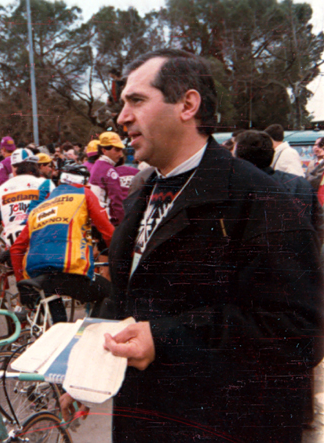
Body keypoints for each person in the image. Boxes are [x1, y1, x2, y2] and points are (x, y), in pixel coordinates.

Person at [79, 48, 323, 442]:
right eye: (123, 103)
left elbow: (299, 332)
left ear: (187, 105)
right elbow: (127, 302)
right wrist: (85, 364)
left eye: (136, 100)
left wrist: (166, 338)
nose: (122, 116)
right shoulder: (142, 197)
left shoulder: (259, 200)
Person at [10, 164, 114, 323]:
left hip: (37, 275)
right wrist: (123, 255)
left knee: (57, 315)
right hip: (69, 271)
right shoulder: (84, 193)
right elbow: (108, 232)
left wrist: (21, 284)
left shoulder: (39, 207)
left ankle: (60, 332)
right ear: (84, 182)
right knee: (110, 293)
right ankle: (86, 334)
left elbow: (16, 248)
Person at [234, 130, 324, 245]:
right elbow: (318, 225)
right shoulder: (300, 184)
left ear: (239, 157)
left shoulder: (237, 189)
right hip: (300, 255)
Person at [0, 149, 55, 246]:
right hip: (40, 240)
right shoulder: (46, 183)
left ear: (13, 167)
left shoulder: (1, 189)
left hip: (12, 244)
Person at [88, 131, 126, 226]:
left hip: (95, 218)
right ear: (104, 150)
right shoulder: (109, 170)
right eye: (117, 150)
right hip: (107, 221)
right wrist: (123, 225)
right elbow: (116, 200)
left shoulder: (98, 165)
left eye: (121, 150)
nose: (120, 154)